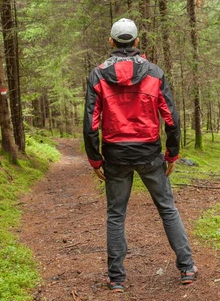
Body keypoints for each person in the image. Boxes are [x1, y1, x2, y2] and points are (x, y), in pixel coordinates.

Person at [83, 18, 197, 293]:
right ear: (136, 42)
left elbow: (91, 122)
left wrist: (95, 158)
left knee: (115, 215)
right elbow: (171, 118)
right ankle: (186, 268)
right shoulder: (154, 73)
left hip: (116, 155)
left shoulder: (98, 75)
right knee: (167, 209)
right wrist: (172, 153)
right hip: (149, 153)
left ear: (111, 42)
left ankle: (117, 278)